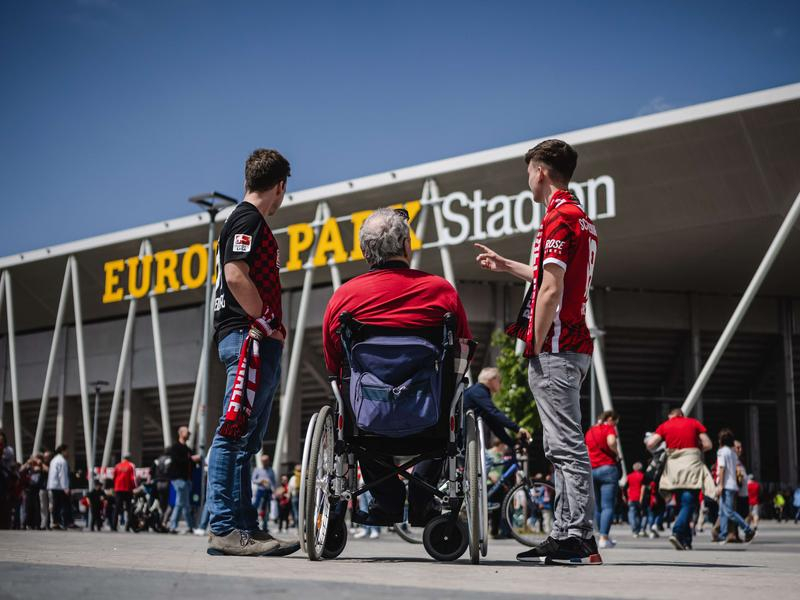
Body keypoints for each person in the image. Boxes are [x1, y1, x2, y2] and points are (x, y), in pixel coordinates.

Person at [476, 140, 601, 565]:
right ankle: (569, 532)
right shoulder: (578, 217)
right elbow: (546, 275)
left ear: (541, 172)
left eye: (529, 171)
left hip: (557, 347)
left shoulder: (558, 218)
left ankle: (576, 535)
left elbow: (550, 289)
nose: (527, 179)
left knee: (565, 445)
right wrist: (506, 265)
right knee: (560, 443)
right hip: (573, 346)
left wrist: (533, 342)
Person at [322, 207, 472, 528]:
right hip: (429, 415)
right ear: (406, 245)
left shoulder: (344, 296)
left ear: (365, 252)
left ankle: (387, 501)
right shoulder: (440, 290)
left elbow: (333, 360)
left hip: (368, 419)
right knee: (449, 396)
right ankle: (421, 499)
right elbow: (463, 346)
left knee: (351, 398)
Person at [206, 149, 299, 557]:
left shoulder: (244, 219)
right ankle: (224, 528)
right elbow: (234, 274)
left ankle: (247, 528)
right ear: (280, 186)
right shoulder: (247, 219)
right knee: (233, 432)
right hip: (248, 338)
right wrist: (266, 319)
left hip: (251, 337)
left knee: (245, 439)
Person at [645, 408, 715, 550]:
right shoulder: (694, 423)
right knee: (688, 503)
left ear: (671, 415)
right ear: (682, 414)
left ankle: (686, 540)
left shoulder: (665, 425)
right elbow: (708, 444)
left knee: (682, 504)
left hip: (674, 469)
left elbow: (650, 443)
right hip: (691, 465)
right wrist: (695, 448)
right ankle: (677, 532)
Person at [463, 367, 530, 447]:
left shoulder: (479, 392)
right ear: (492, 379)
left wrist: (512, 444)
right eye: (499, 381)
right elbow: (495, 413)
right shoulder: (478, 391)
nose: (501, 385)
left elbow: (494, 424)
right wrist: (518, 429)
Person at [586, 410, 620, 549]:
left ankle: (600, 535)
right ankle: (604, 538)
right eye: (615, 422)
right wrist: (616, 453)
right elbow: (611, 441)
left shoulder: (590, 431)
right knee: (608, 506)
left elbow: (586, 449)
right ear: (611, 419)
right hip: (608, 469)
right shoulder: (609, 428)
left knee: (598, 506)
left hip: (592, 469)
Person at [716, 428, 755, 544]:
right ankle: (723, 534)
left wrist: (720, 485)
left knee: (729, 511)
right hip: (733, 485)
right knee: (723, 510)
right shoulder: (733, 453)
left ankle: (747, 529)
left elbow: (722, 468)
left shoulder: (721, 452)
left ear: (721, 440)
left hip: (726, 485)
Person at [167, 426, 200, 533]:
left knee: (185, 504)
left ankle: (191, 526)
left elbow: (191, 464)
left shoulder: (188, 449)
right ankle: (173, 526)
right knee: (180, 502)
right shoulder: (176, 447)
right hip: (179, 479)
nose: (189, 434)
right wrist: (191, 459)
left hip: (186, 479)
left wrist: (194, 461)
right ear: (180, 433)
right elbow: (177, 461)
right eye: (187, 432)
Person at [46, 444, 70, 530]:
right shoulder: (62, 461)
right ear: (63, 451)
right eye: (67, 451)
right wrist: (65, 487)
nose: (68, 453)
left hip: (52, 485)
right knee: (58, 506)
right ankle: (56, 522)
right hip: (58, 487)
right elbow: (62, 475)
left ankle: (54, 522)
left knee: (54, 505)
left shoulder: (54, 460)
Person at [112, 454, 137, 532]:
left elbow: (114, 477)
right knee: (129, 509)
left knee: (117, 508)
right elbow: (133, 478)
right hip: (127, 489)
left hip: (118, 489)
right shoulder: (131, 465)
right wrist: (135, 487)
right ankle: (128, 526)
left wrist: (115, 487)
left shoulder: (117, 466)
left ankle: (114, 526)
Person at [251, 454, 275, 532]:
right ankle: (252, 522)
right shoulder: (257, 470)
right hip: (260, 490)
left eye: (266, 461)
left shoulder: (271, 470)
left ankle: (265, 526)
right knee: (256, 506)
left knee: (267, 509)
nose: (265, 462)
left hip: (268, 491)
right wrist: (260, 481)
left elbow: (273, 482)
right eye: (263, 461)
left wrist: (274, 491)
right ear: (261, 461)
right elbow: (253, 480)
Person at [626, 462, 646, 537]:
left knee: (632, 514)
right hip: (639, 497)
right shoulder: (642, 476)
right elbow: (643, 488)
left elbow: (627, 488)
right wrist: (641, 498)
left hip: (631, 497)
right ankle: (639, 529)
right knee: (639, 514)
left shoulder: (629, 476)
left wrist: (627, 497)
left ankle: (634, 529)